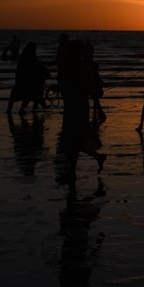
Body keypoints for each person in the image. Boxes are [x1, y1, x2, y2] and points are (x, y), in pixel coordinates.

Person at [58, 39, 106, 181]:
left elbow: (91, 91)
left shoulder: (82, 68)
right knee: (72, 140)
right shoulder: (72, 67)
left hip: (78, 108)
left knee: (72, 139)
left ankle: (73, 171)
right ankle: (96, 157)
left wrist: (100, 109)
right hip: (72, 107)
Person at [7, 42, 50, 114]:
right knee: (30, 94)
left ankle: (12, 109)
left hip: (22, 79)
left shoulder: (24, 55)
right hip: (26, 79)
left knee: (18, 95)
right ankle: (21, 109)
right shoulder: (29, 56)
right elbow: (34, 65)